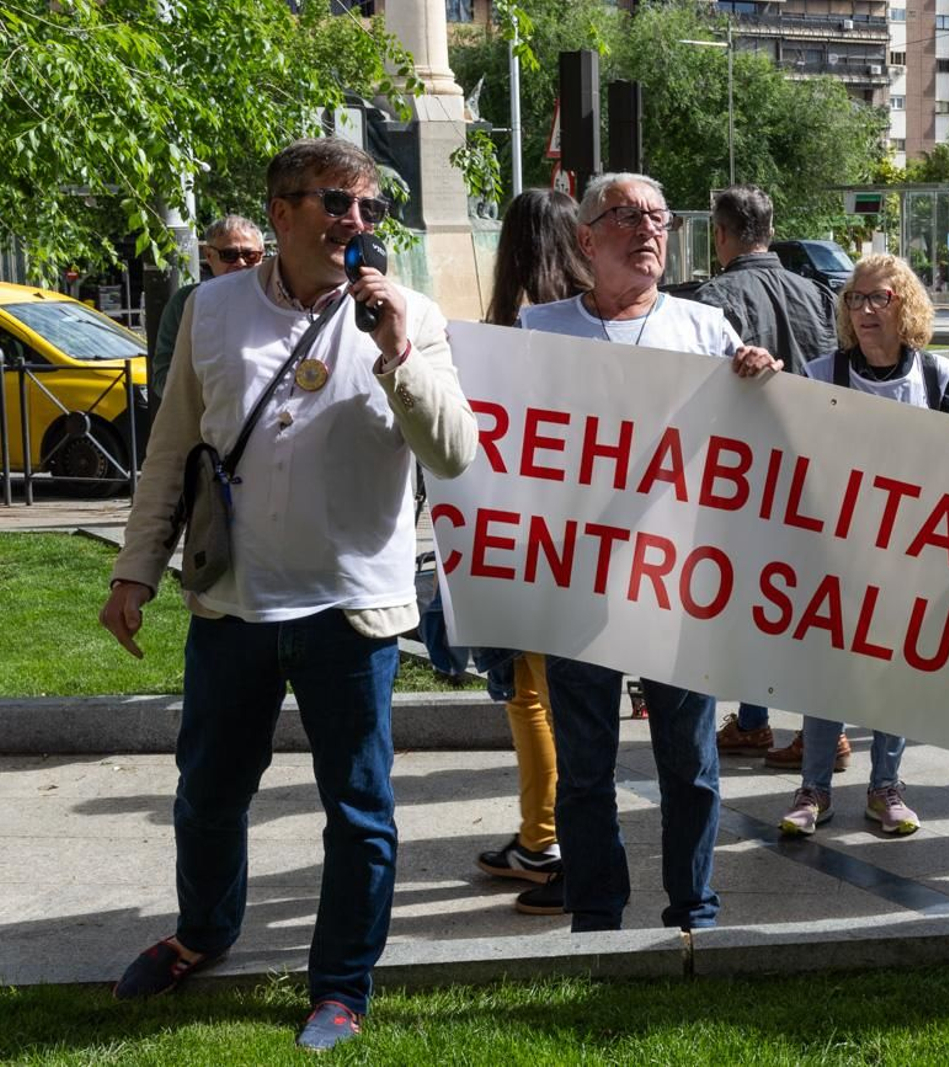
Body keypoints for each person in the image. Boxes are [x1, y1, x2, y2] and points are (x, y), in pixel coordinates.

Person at [98, 138, 477, 1049]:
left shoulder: (411, 314)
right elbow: (173, 450)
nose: (357, 223)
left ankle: (341, 985)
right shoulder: (214, 308)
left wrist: (395, 353)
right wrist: (134, 567)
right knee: (208, 794)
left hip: (354, 611)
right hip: (235, 602)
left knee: (358, 811)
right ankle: (204, 933)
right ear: (280, 213)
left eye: (369, 209)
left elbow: (456, 452)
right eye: (337, 204)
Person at [517, 172, 778, 933]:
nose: (648, 230)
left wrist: (766, 387)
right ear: (585, 238)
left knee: (689, 764)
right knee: (586, 768)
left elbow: (758, 452)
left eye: (659, 217)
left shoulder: (706, 330)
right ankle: (596, 912)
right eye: (626, 216)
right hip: (577, 579)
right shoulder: (538, 331)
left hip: (678, 584)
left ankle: (692, 907)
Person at [779, 253, 949, 838]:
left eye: (879, 299)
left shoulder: (939, 379)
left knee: (893, 673)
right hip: (832, 554)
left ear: (906, 305)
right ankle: (813, 787)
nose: (865, 311)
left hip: (910, 560)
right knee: (827, 673)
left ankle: (885, 787)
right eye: (855, 300)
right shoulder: (820, 376)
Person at [692, 184, 847, 774]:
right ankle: (796, 727)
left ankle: (773, 726)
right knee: (802, 602)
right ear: (771, 227)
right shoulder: (816, 291)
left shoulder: (713, 298)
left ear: (722, 234)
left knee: (750, 600)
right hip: (813, 464)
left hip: (746, 473)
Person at [473, 189, 594, 916]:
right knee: (570, 697)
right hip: (595, 541)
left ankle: (545, 835)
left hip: (531, 545)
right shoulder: (591, 321)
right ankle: (552, 834)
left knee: (531, 695)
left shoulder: (510, 331)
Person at [150, 216, 266, 398]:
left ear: (262, 256)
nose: (240, 263)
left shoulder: (279, 300)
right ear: (209, 256)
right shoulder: (187, 302)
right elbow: (162, 379)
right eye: (229, 255)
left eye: (250, 255)